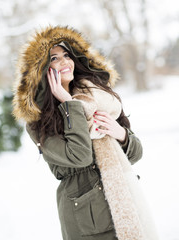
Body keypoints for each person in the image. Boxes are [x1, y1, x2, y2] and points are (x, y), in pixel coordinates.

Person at [12, 26, 152, 240]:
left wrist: (121, 134)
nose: (64, 62)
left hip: (123, 202)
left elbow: (136, 154)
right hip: (87, 217)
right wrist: (69, 105)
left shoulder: (96, 98)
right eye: (54, 58)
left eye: (67, 55)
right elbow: (80, 156)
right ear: (41, 70)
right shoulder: (38, 121)